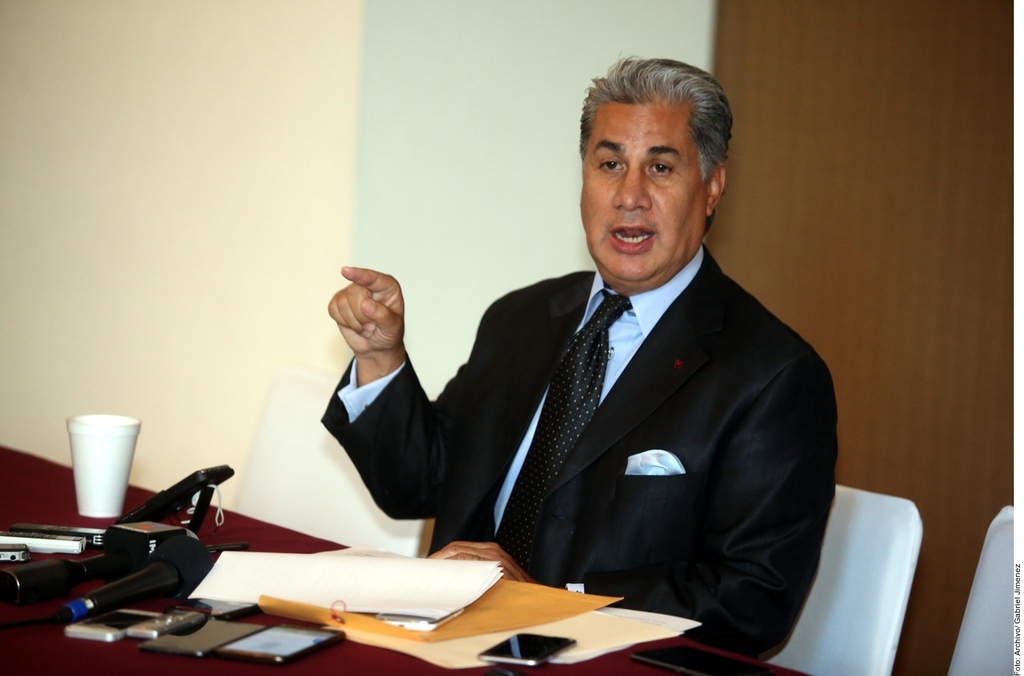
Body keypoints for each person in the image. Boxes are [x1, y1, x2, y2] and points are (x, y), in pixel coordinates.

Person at [322, 57, 837, 656]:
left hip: (603, 659)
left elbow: (753, 600)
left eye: (661, 167)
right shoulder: (521, 317)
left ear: (712, 187)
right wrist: (381, 357)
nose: (629, 197)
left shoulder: (772, 375)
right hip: (446, 643)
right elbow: (420, 485)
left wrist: (549, 600)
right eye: (610, 164)